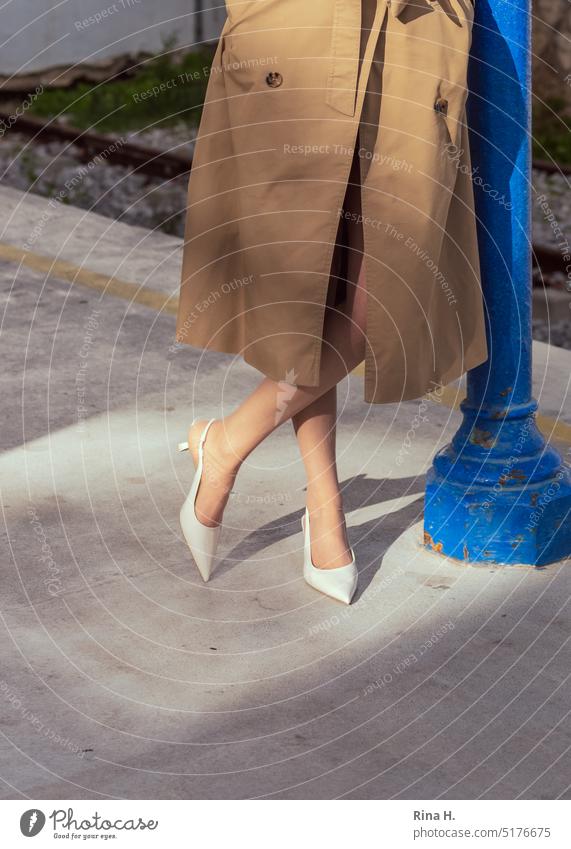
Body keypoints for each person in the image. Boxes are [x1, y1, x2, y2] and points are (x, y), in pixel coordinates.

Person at [175, 0, 487, 603]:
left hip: (414, 27)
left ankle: (227, 443)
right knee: (309, 287)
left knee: (386, 292)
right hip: (301, 27)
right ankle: (326, 509)